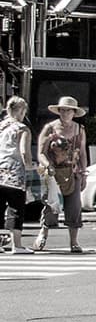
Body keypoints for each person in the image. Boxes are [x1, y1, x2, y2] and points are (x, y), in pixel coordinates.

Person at [37, 95, 90, 254]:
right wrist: (47, 165)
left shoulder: (79, 129)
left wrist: (84, 173)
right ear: (59, 111)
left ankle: (74, 242)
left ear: (74, 112)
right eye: (63, 110)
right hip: (53, 172)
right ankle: (43, 233)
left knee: (74, 207)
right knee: (51, 205)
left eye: (69, 111)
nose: (66, 113)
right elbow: (41, 152)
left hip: (72, 172)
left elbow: (82, 153)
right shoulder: (50, 128)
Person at [0, 96, 30, 253]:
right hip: (14, 172)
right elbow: (24, 152)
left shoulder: (1, 126)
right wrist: (30, 166)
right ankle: (16, 245)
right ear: (21, 111)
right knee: (16, 208)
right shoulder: (22, 128)